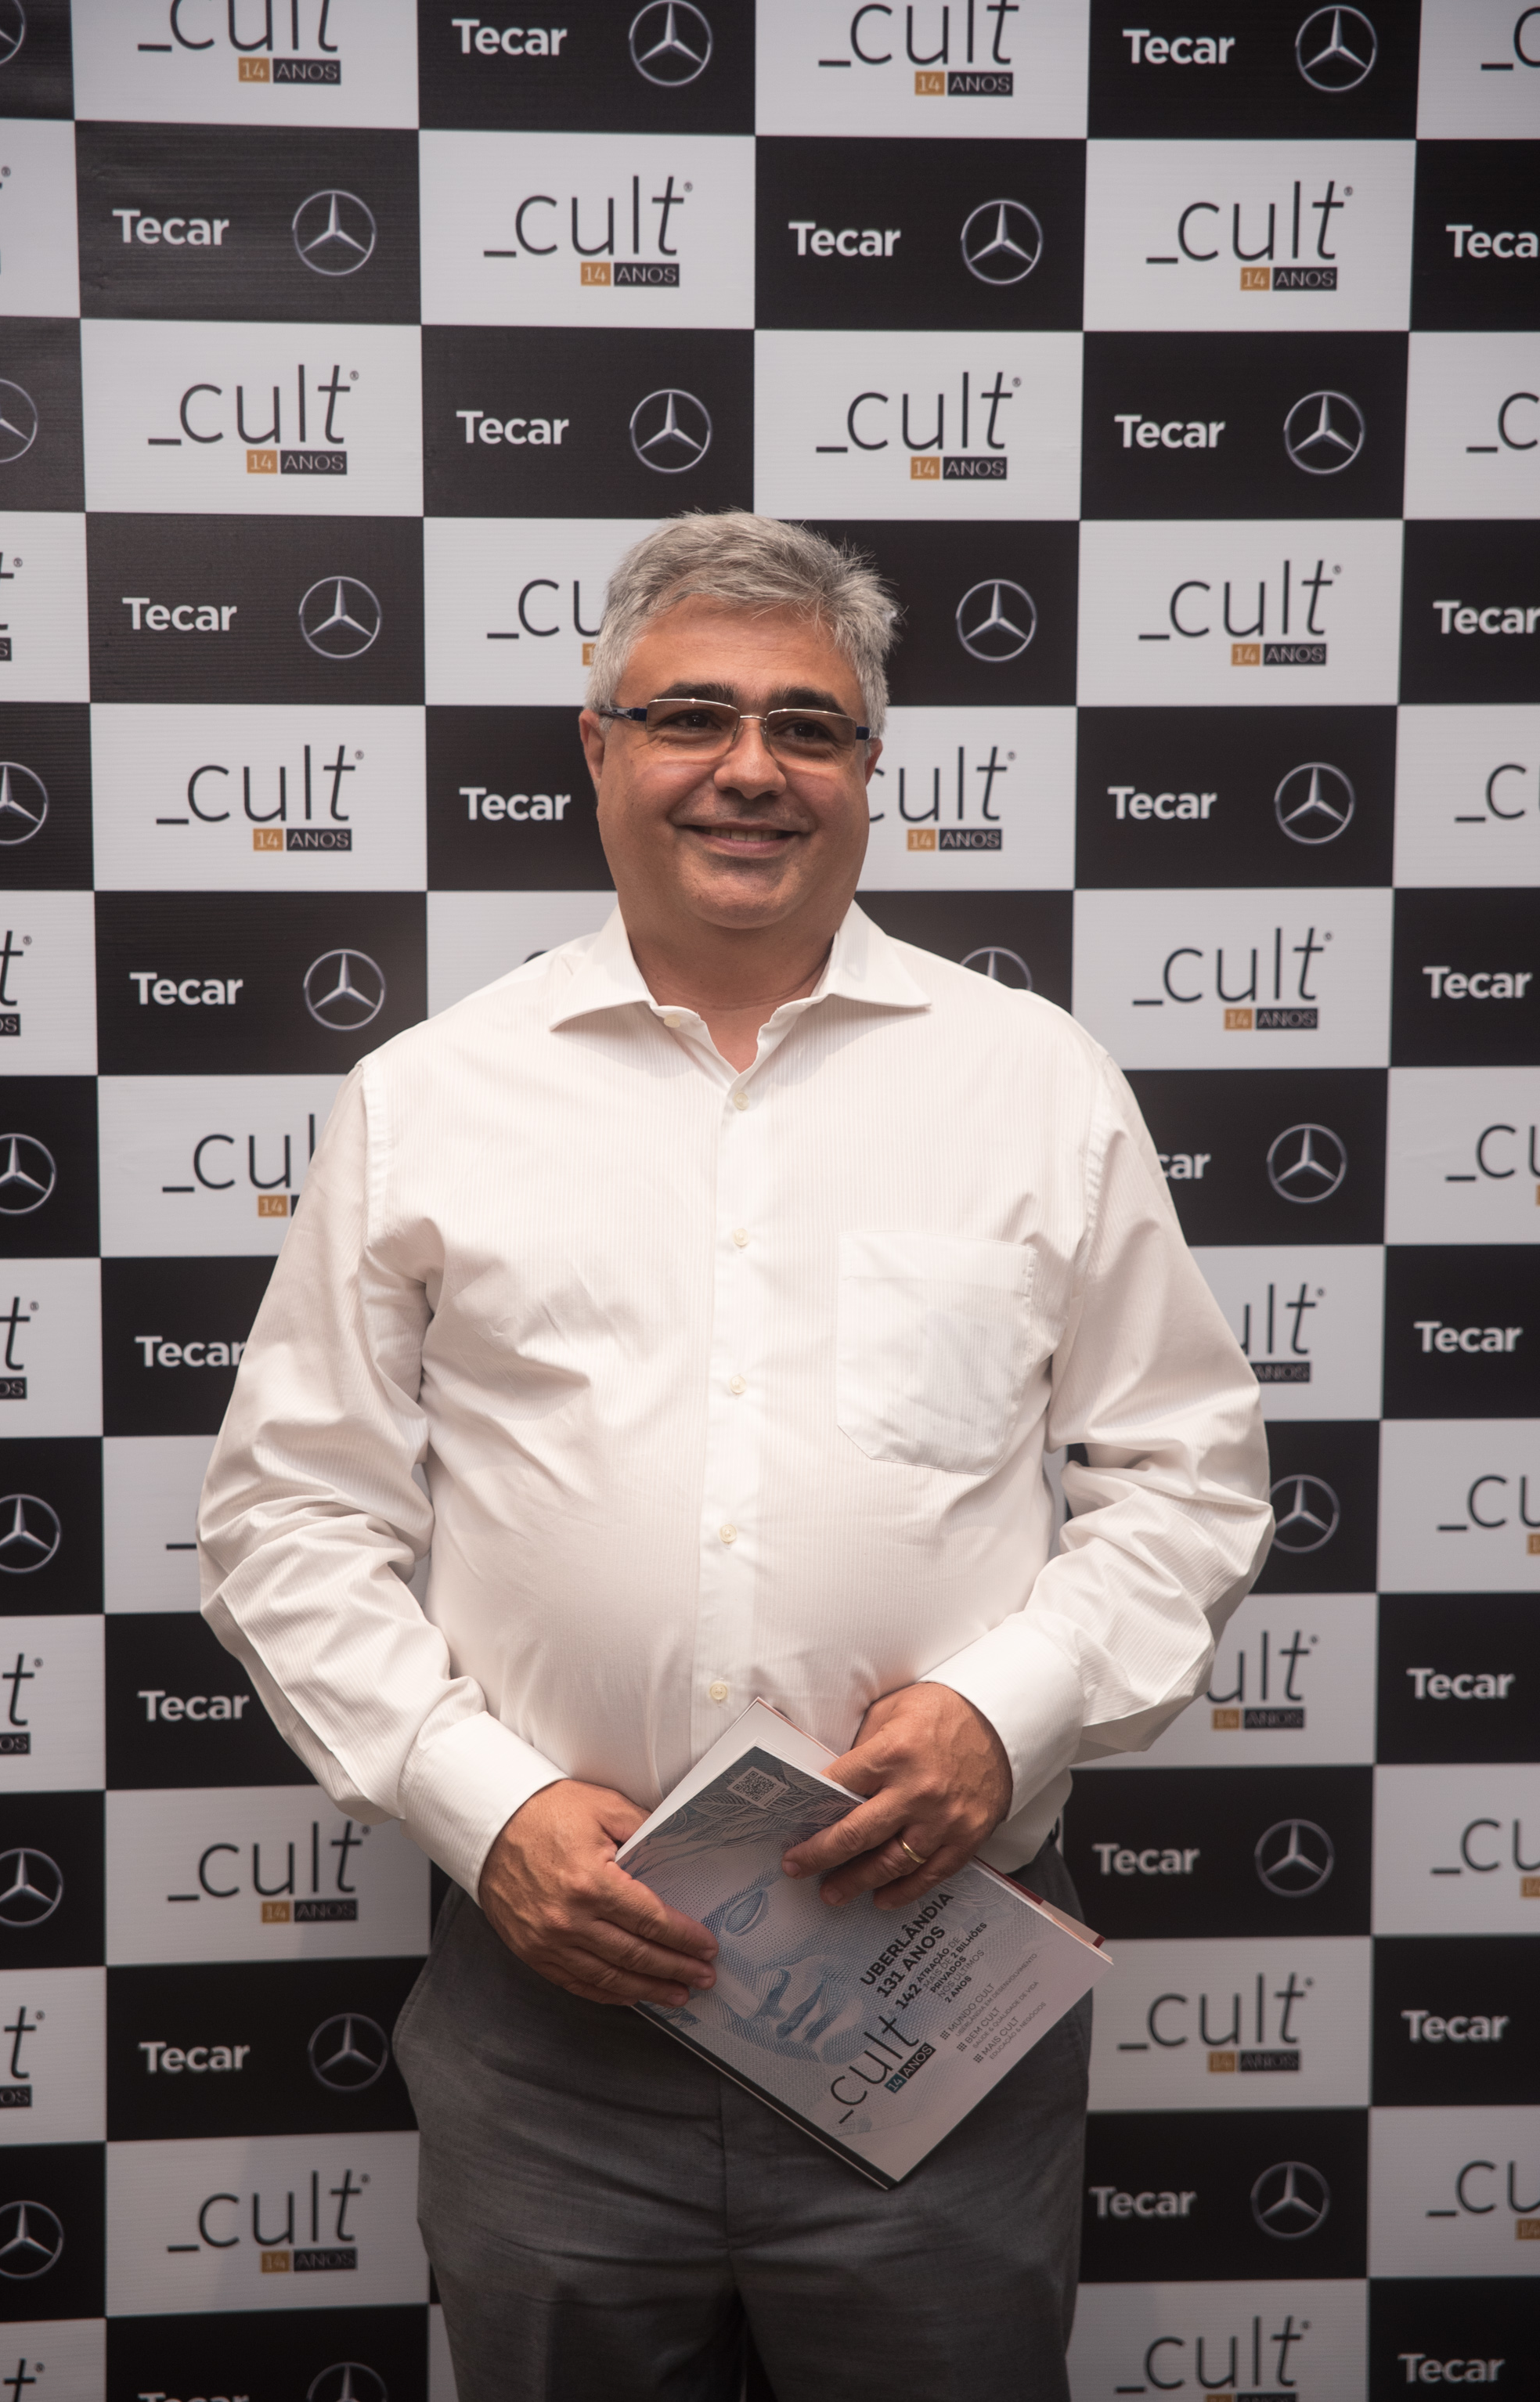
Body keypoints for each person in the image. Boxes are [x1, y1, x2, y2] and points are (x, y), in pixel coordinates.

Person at [199, 510, 1271, 2401]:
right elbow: (290, 1516)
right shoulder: (429, 1098)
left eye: (810, 724)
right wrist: (483, 1809)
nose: (750, 767)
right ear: (598, 748)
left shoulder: (1032, 1084)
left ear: (869, 765)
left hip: (924, 2003)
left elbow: (1184, 1478)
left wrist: (1005, 1710)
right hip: (552, 2023)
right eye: (691, 714)